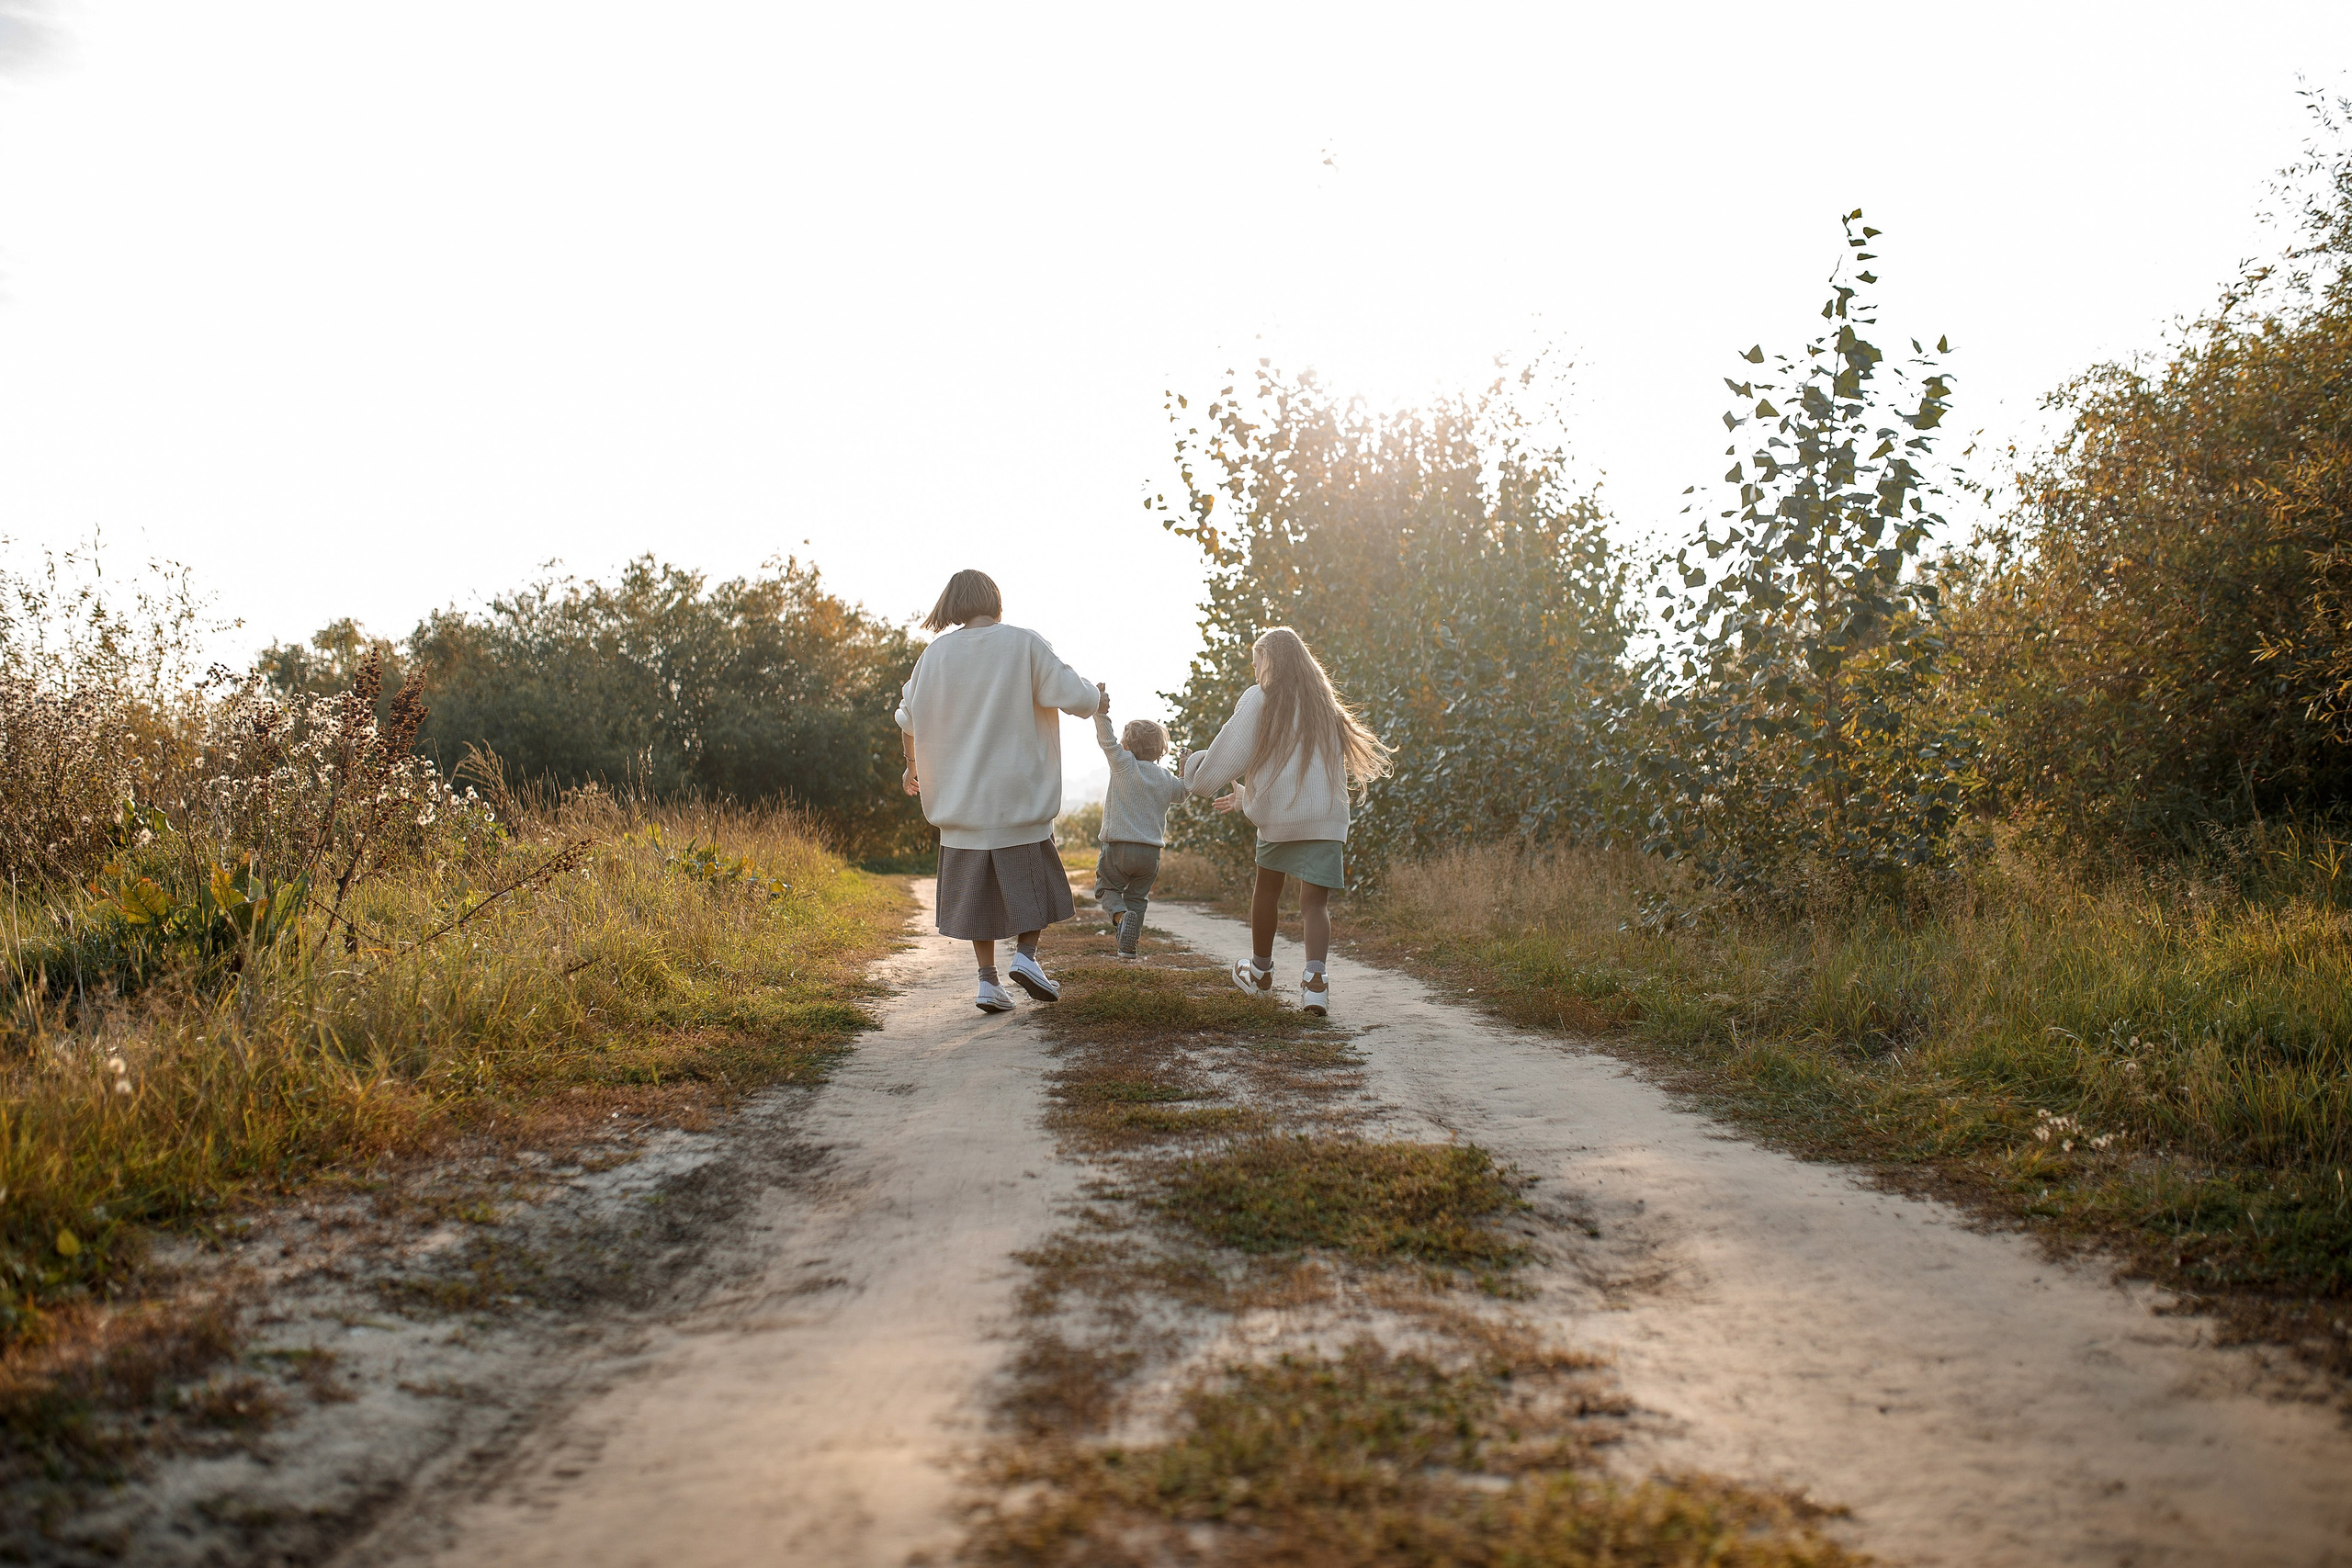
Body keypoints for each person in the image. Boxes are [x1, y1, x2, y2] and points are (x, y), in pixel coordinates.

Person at [896, 569, 1102, 1013]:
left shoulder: (933, 656)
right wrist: (1097, 697)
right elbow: (1077, 698)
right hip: (1018, 799)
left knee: (978, 898)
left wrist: (912, 768)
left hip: (961, 805)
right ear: (995, 601)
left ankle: (988, 981)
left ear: (952, 605)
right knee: (1038, 887)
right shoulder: (1023, 643)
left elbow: (906, 718)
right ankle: (1026, 957)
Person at [1180, 626, 1392, 1015]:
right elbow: (1302, 770)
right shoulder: (1323, 704)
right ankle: (1315, 984)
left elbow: (1226, 757)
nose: (1255, 670)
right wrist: (1247, 797)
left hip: (1280, 822)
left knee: (1267, 891)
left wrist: (1193, 770)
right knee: (1314, 905)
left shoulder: (1261, 700)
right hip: (1326, 819)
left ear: (1270, 661)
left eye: (1256, 661)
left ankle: (1260, 973)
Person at [1090, 682, 1191, 959]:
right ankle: (1128, 946)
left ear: (1126, 745)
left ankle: (1121, 920)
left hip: (1118, 848)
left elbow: (1105, 740)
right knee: (1137, 898)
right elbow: (1182, 793)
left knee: (1107, 888)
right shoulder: (1164, 776)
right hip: (1150, 853)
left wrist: (1100, 712)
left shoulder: (1123, 764)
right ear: (1161, 750)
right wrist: (1184, 768)